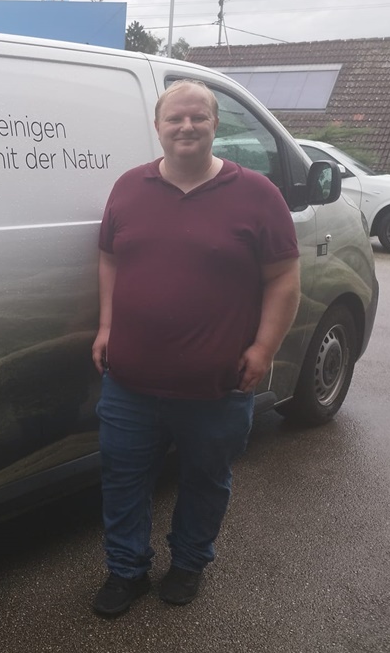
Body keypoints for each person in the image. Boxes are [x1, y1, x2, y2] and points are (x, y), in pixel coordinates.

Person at [90, 80, 300, 616]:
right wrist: (106, 325)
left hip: (218, 385)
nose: (186, 127)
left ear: (216, 125)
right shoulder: (128, 188)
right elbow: (111, 258)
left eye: (198, 118)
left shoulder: (257, 194)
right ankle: (126, 570)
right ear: (157, 127)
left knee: (206, 480)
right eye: (175, 119)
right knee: (122, 479)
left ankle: (187, 564)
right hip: (129, 382)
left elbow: (283, 278)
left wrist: (264, 347)